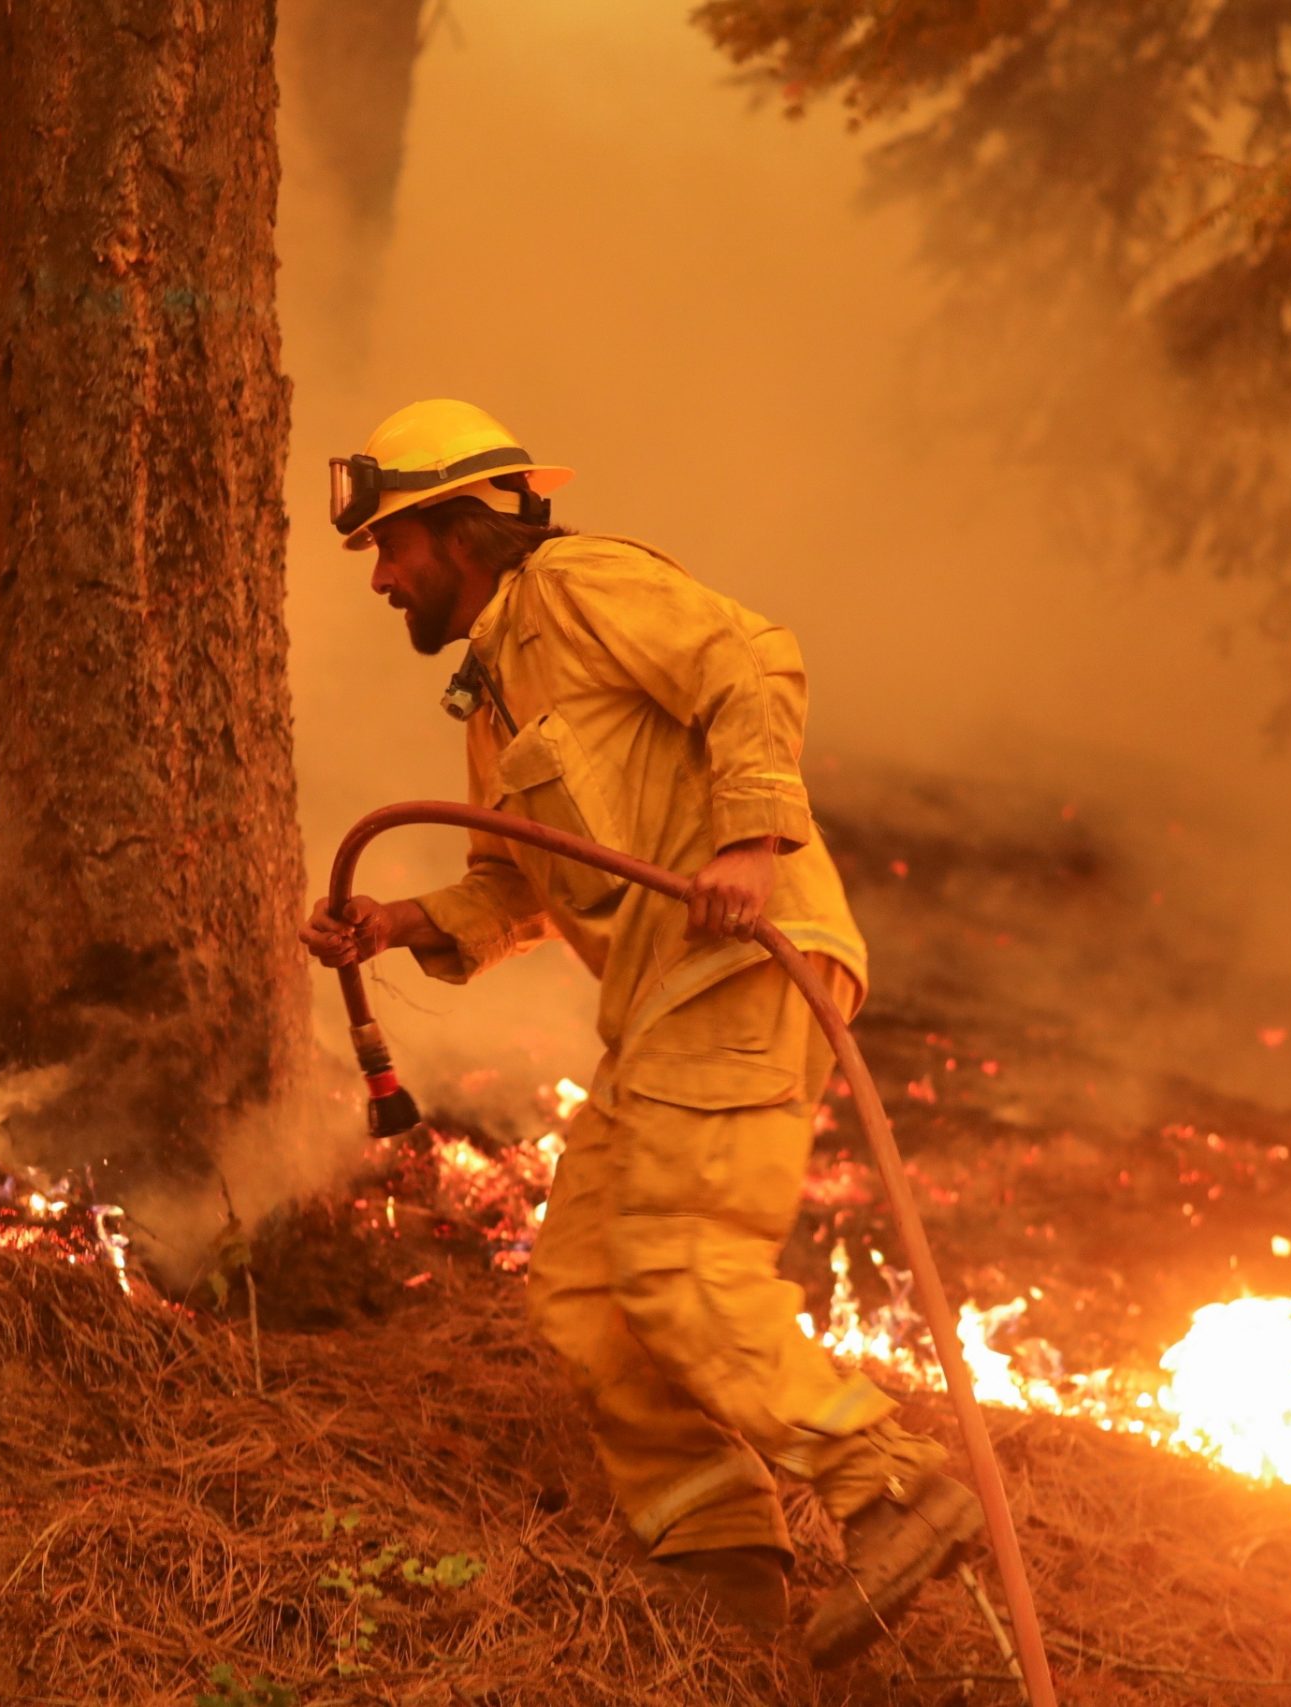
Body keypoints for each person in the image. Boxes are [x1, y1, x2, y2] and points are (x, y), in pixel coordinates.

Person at [301, 399, 984, 1665]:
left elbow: (750, 660)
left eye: (394, 548)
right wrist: (397, 923)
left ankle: (892, 1491)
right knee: (584, 1290)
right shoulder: (491, 699)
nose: (384, 579)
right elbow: (518, 883)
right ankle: (719, 1554)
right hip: (664, 1005)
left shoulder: (581, 584)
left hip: (741, 964)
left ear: (462, 530)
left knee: (676, 1264)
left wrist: (747, 838)